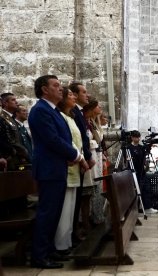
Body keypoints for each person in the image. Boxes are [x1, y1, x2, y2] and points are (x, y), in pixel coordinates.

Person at [29, 75, 83, 269]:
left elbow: (62, 138)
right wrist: (75, 155)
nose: (61, 89)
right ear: (45, 89)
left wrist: (67, 155)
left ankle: (49, 250)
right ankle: (39, 256)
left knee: (54, 213)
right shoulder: (40, 110)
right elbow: (52, 139)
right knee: (47, 213)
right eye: (56, 86)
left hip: (57, 166)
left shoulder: (52, 110)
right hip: (49, 169)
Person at [54, 87, 89, 255]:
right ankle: (60, 245)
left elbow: (79, 140)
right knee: (65, 208)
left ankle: (67, 242)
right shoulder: (60, 117)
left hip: (75, 164)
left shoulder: (71, 117)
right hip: (69, 165)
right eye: (70, 95)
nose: (74, 97)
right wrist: (80, 158)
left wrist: (81, 156)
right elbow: (67, 141)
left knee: (71, 207)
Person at [69, 81, 95, 243]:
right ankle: (72, 234)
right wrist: (85, 156)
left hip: (82, 158)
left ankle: (73, 234)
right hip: (77, 159)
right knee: (75, 202)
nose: (88, 95)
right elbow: (78, 137)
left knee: (78, 200)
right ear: (75, 95)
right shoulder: (74, 112)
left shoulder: (77, 112)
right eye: (84, 92)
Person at [82, 98, 105, 230]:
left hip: (95, 155)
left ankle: (95, 216)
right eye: (97, 106)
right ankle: (87, 220)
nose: (100, 108)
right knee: (88, 191)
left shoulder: (92, 122)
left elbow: (97, 138)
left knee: (95, 188)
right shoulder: (86, 121)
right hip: (89, 156)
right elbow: (92, 139)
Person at [127, 130, 158, 214]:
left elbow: (146, 156)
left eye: (138, 137)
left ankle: (147, 207)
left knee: (146, 188)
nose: (137, 139)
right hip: (132, 171)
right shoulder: (128, 148)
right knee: (134, 190)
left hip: (142, 171)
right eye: (136, 137)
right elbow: (126, 159)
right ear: (132, 137)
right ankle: (133, 208)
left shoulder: (141, 147)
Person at [0, 93, 30, 170]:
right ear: (5, 103)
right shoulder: (2, 118)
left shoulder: (11, 118)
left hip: (17, 157)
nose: (16, 102)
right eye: (13, 100)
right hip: (9, 157)